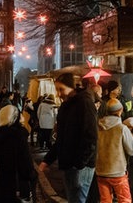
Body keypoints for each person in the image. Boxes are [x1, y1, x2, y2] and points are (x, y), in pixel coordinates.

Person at [39, 73, 98, 203]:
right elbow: (62, 137)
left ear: (72, 88)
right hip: (69, 163)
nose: (59, 94)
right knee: (73, 199)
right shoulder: (66, 106)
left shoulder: (85, 103)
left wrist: (80, 163)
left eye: (61, 89)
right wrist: (47, 160)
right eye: (57, 90)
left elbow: (90, 136)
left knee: (78, 199)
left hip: (80, 165)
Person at [0, 105, 37, 203]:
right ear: (14, 118)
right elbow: (25, 162)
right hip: (19, 184)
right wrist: (33, 176)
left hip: (3, 184)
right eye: (20, 115)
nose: (23, 117)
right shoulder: (18, 136)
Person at [96, 99, 133, 203]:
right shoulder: (121, 128)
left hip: (101, 171)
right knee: (125, 200)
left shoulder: (98, 127)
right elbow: (132, 150)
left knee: (105, 200)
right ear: (120, 111)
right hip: (117, 172)